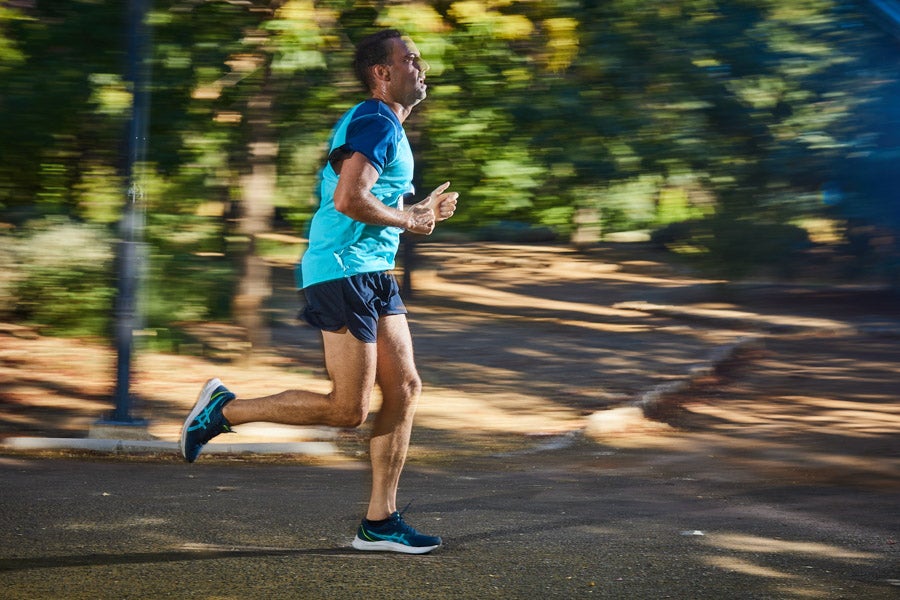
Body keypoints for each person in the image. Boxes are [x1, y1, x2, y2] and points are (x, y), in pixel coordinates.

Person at [179, 29, 458, 555]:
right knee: (347, 410)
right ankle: (222, 410)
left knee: (406, 388)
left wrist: (418, 213)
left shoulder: (382, 127)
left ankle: (380, 522)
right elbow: (350, 199)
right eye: (411, 60)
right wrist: (410, 219)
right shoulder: (375, 119)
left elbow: (364, 198)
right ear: (383, 72)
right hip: (342, 271)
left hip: (371, 270)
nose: (421, 68)